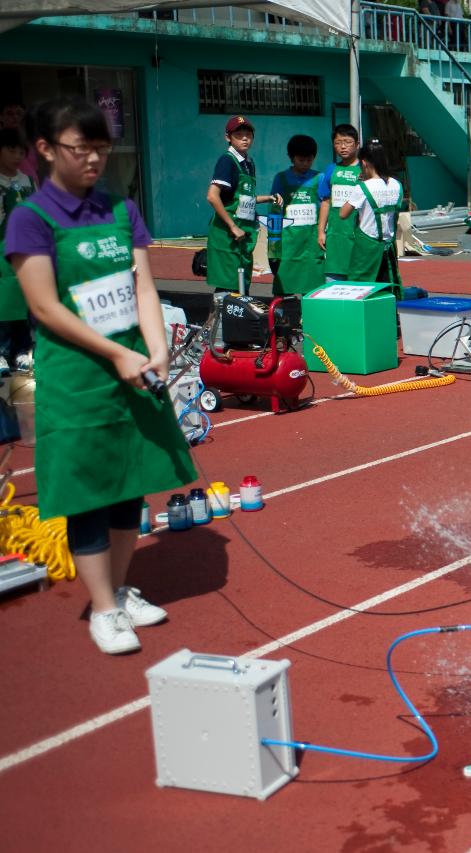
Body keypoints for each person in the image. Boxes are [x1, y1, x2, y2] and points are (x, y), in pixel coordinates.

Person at [6, 98, 196, 654]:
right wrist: (115, 355)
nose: (93, 160)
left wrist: (157, 348)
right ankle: (104, 610)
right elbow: (45, 307)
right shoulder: (30, 218)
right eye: (79, 149)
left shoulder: (120, 210)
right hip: (78, 372)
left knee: (127, 485)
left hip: (134, 366)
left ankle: (118, 586)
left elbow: (142, 286)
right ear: (45, 149)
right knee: (89, 490)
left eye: (101, 149)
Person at [205, 116, 280, 293]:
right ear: (228, 137)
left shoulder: (248, 163)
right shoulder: (227, 161)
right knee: (228, 286)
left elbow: (244, 199)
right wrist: (232, 226)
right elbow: (212, 196)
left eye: (248, 134)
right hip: (228, 235)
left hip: (243, 235)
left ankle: (230, 320)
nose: (245, 138)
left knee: (241, 286)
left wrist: (269, 198)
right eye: (239, 134)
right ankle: (216, 321)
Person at [338, 140, 403, 292]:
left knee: (360, 289)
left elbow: (343, 213)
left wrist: (357, 186)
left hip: (367, 246)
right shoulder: (396, 184)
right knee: (387, 287)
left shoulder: (363, 187)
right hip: (389, 247)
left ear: (364, 163)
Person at [0, 127, 36, 373]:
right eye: (11, 149)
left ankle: (24, 350)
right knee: (3, 302)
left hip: (25, 249)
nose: (16, 155)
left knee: (25, 300)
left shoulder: (27, 180)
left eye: (20, 150)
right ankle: (2, 352)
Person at [269, 134, 324, 295]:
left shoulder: (319, 178)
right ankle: (280, 315)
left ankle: (308, 317)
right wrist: (273, 243)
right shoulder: (280, 179)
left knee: (313, 284)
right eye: (301, 160)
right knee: (284, 280)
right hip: (288, 241)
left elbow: (325, 206)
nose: (305, 164)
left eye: (309, 160)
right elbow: (274, 211)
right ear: (291, 158)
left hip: (311, 242)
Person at [317, 123, 362, 282]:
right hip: (335, 236)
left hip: (359, 234)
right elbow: (326, 202)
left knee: (358, 283)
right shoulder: (331, 169)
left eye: (347, 142)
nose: (343, 147)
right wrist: (321, 231)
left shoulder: (366, 169)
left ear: (357, 144)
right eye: (338, 143)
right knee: (333, 283)